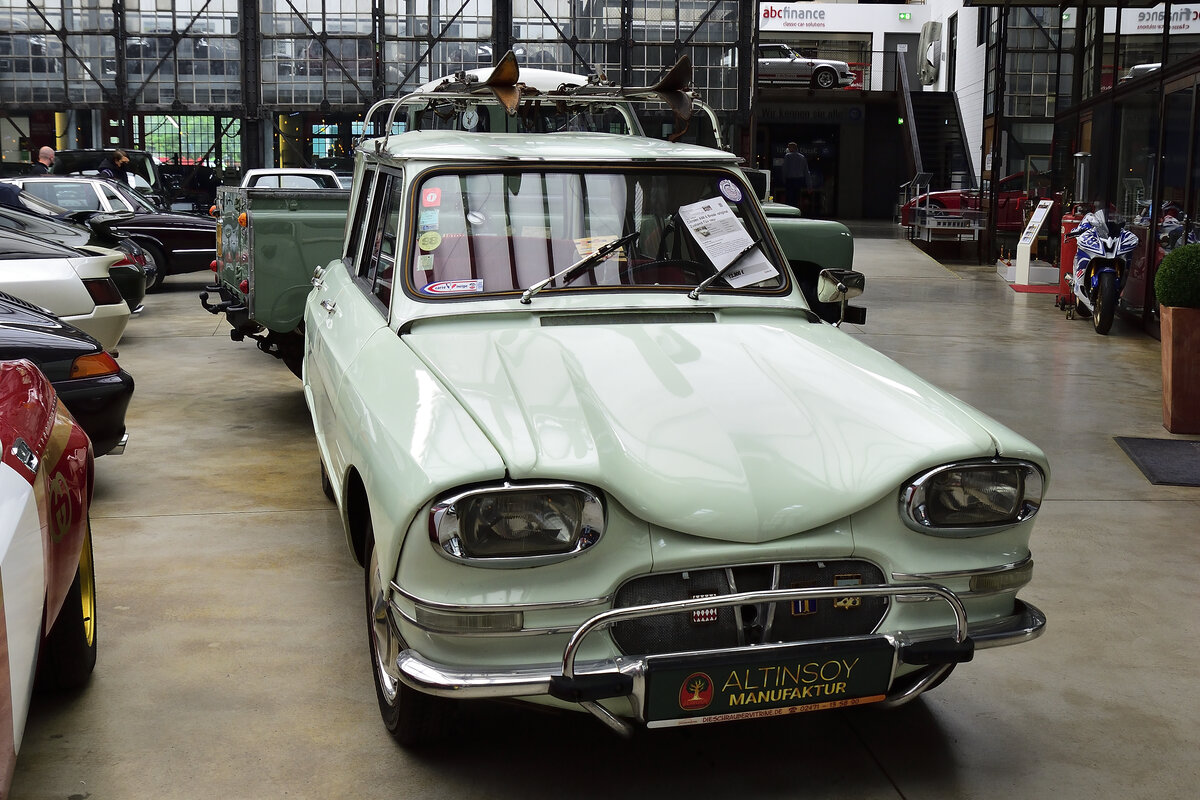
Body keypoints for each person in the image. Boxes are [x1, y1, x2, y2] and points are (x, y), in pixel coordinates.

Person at [782, 141, 810, 210]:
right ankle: (795, 210)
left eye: (789, 147)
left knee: (789, 198)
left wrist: (783, 180)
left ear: (792, 148)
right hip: (799, 180)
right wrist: (809, 185)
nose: (788, 149)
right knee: (796, 198)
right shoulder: (802, 157)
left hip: (790, 180)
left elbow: (784, 169)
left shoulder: (787, 156)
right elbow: (806, 171)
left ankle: (789, 211)